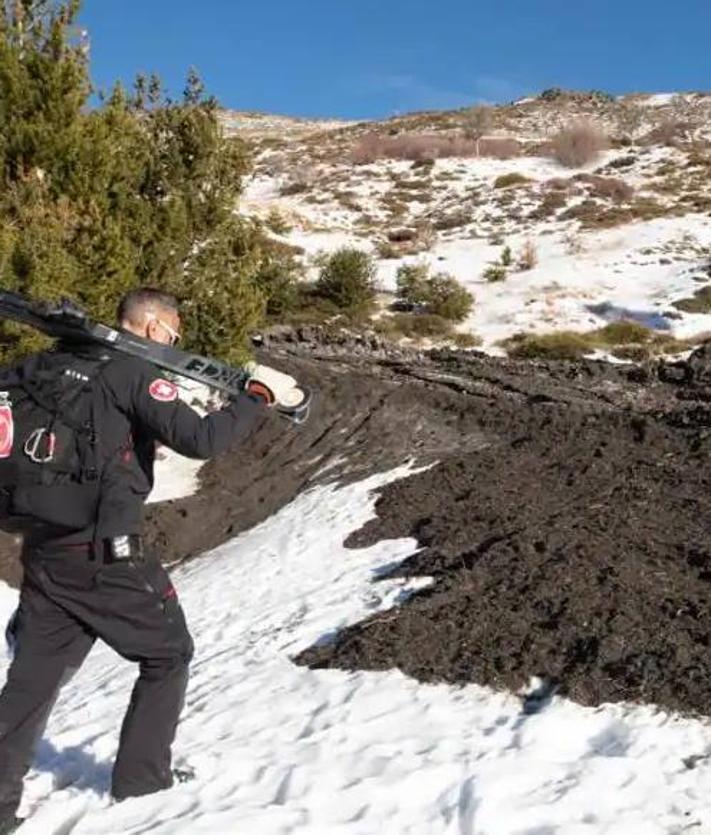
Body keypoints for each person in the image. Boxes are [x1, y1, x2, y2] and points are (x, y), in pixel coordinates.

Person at [0, 288, 297, 832]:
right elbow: (201, 438)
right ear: (155, 329)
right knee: (168, 655)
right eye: (174, 336)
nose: (173, 343)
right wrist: (256, 397)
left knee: (33, 680)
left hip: (43, 548)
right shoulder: (131, 373)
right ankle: (142, 783)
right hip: (103, 554)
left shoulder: (43, 366)